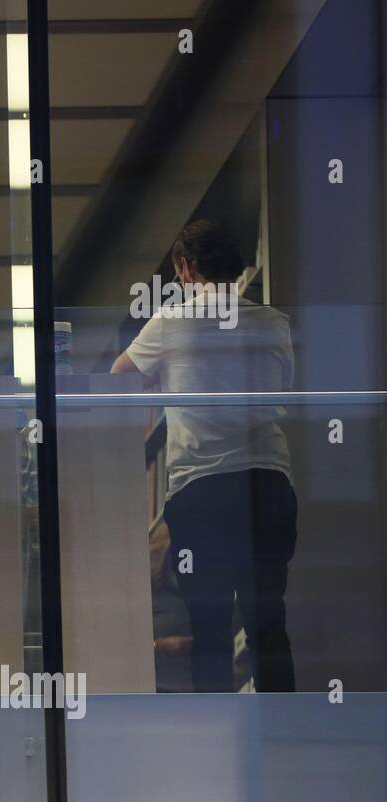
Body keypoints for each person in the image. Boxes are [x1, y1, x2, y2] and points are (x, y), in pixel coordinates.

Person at [112, 220, 298, 692]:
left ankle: (218, 745)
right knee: (268, 621)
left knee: (210, 628)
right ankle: (283, 736)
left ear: (187, 267)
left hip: (202, 488)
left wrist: (166, 380)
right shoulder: (274, 323)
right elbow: (281, 393)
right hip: (268, 482)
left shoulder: (171, 321)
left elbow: (118, 377)